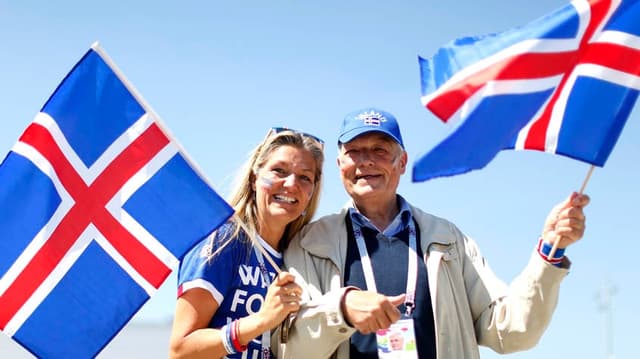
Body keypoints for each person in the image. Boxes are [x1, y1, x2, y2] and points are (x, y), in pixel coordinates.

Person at [273, 108, 589, 359]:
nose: (366, 160)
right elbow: (291, 351)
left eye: (380, 150)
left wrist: (550, 252)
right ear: (340, 164)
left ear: (402, 162)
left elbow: (512, 331)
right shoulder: (310, 242)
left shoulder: (449, 239)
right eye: (354, 151)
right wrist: (341, 310)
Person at [169, 127, 325, 359]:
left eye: (305, 177)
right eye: (279, 171)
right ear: (254, 179)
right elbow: (181, 350)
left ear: (312, 191)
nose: (291, 184)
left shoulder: (303, 255)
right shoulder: (222, 239)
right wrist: (261, 321)